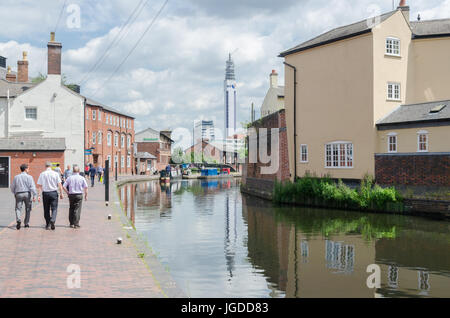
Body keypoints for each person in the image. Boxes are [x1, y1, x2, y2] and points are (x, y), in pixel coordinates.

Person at [37, 162, 64, 230]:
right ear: (51, 166)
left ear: (45, 166)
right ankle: (53, 220)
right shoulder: (55, 174)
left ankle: (48, 224)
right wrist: (61, 193)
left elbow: (39, 186)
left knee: (46, 209)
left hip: (45, 193)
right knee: (54, 208)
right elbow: (60, 185)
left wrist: (39, 195)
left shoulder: (42, 174)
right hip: (54, 193)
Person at [10, 164, 37, 230]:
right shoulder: (29, 177)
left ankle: (18, 219)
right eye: (28, 168)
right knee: (28, 209)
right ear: (25, 169)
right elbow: (32, 187)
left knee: (18, 208)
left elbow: (12, 187)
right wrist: (35, 195)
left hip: (18, 194)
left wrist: (14, 193)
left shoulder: (16, 177)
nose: (29, 170)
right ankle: (26, 223)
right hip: (27, 194)